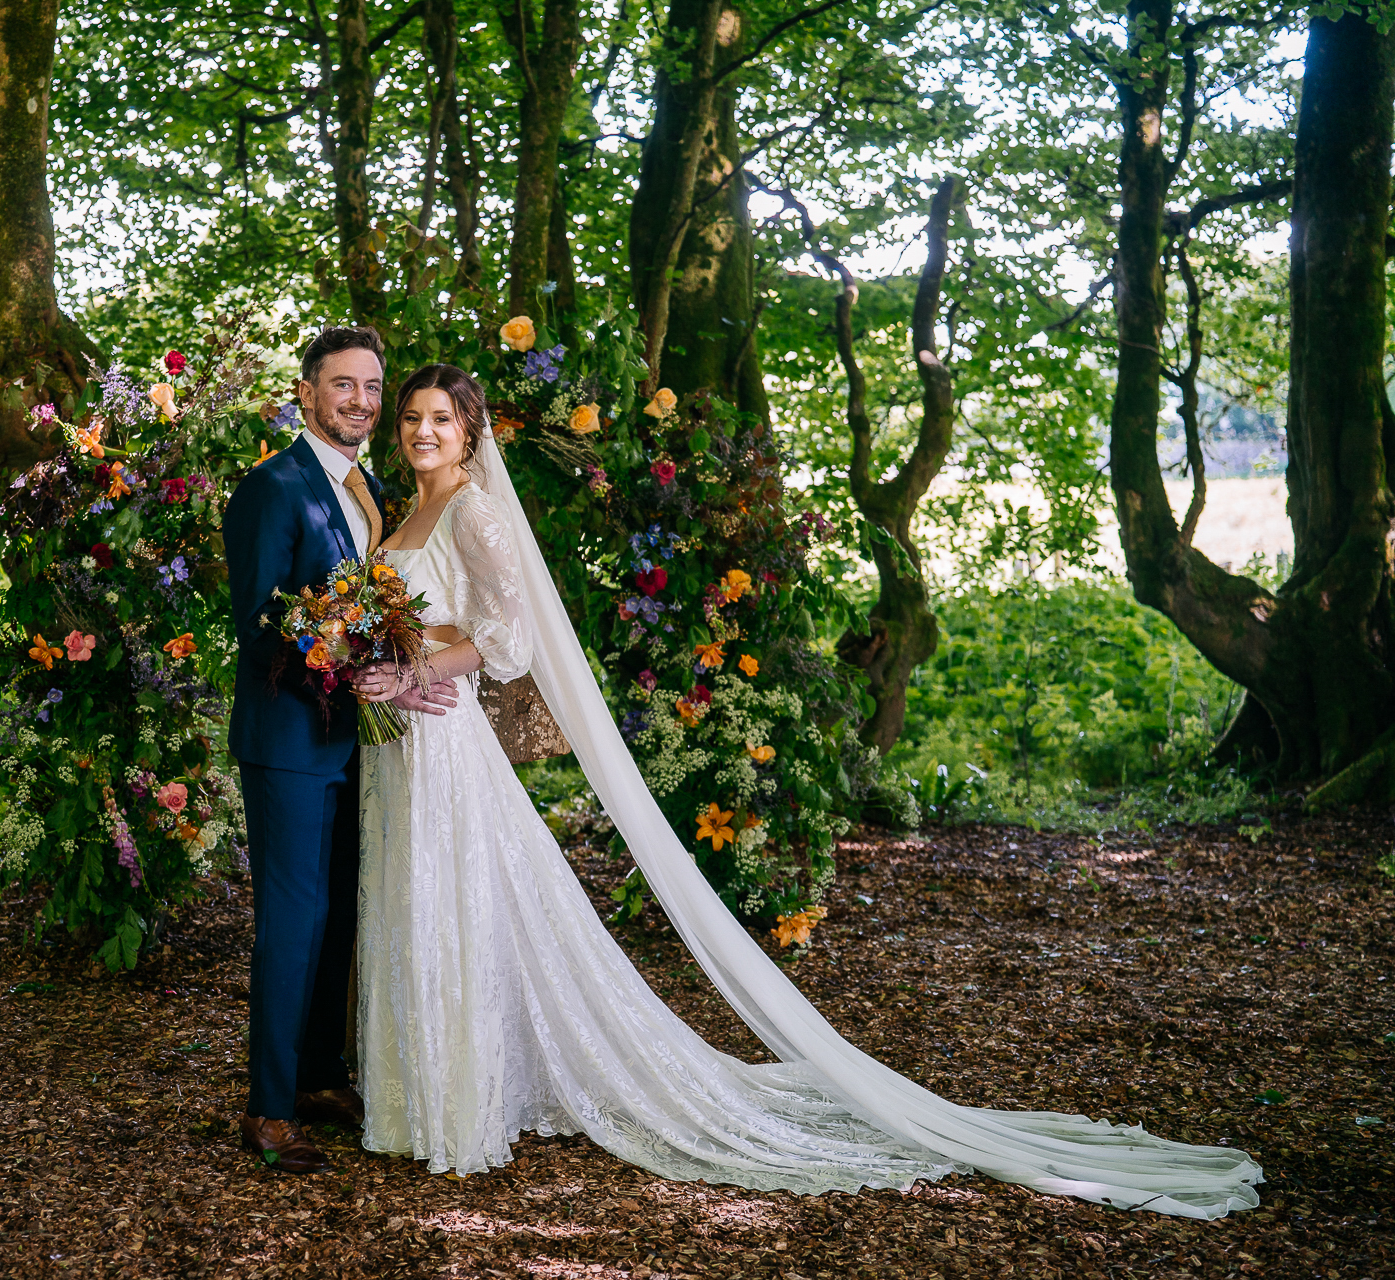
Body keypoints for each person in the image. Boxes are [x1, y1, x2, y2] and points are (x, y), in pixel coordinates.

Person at [350, 364, 1263, 1220]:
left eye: (443, 418)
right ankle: (414, 1094)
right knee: (415, 903)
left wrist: (415, 664)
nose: (425, 430)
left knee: (453, 903)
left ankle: (457, 1103)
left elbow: (508, 644)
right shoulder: (402, 511)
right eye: (414, 418)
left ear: (470, 433)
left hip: (443, 735)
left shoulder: (477, 513)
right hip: (403, 740)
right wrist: (378, 662)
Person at [219, 327, 459, 1173]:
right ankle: (269, 1108)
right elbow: (259, 624)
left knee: (342, 914)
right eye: (343, 385)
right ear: (308, 391)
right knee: (293, 918)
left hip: (356, 743)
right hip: (288, 738)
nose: (359, 400)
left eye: (370, 387)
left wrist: (395, 666)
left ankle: (320, 1075)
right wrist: (354, 663)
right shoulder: (271, 488)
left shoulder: (368, 492)